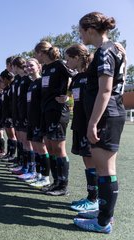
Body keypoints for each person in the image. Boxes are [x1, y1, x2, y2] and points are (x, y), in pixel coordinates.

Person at [74, 12, 126, 234]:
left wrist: (92, 123)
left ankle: (103, 222)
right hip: (112, 112)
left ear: (90, 30)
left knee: (106, 170)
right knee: (105, 169)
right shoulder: (112, 49)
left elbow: (105, 90)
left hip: (107, 114)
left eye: (80, 30)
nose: (79, 35)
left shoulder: (105, 51)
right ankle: (103, 214)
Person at [34, 41, 74, 196]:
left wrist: (68, 96)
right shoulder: (45, 68)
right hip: (46, 111)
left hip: (58, 111)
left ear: (41, 53)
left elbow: (74, 76)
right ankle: (56, 183)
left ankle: (63, 185)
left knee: (58, 148)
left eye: (36, 54)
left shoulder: (60, 64)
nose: (35, 57)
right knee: (49, 146)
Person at [64, 44, 98, 212]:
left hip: (89, 123)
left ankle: (95, 199)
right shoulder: (76, 78)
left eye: (68, 58)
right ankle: (92, 197)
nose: (66, 61)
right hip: (78, 122)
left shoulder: (93, 74)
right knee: (86, 159)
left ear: (77, 57)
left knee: (94, 160)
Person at [25, 58, 51, 188]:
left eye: (31, 65)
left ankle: (45, 177)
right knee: (35, 148)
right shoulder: (31, 84)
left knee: (42, 148)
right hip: (31, 120)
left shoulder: (42, 82)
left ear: (39, 67)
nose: (29, 68)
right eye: (27, 66)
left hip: (40, 120)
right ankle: (38, 175)